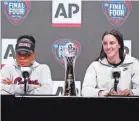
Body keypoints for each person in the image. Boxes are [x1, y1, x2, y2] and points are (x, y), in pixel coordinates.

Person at [82, 29, 139, 97]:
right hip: (102, 106)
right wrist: (100, 92)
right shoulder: (95, 66)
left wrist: (131, 92)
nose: (108, 47)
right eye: (105, 43)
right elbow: (85, 90)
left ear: (119, 45)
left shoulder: (133, 63)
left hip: (128, 106)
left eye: (112, 43)